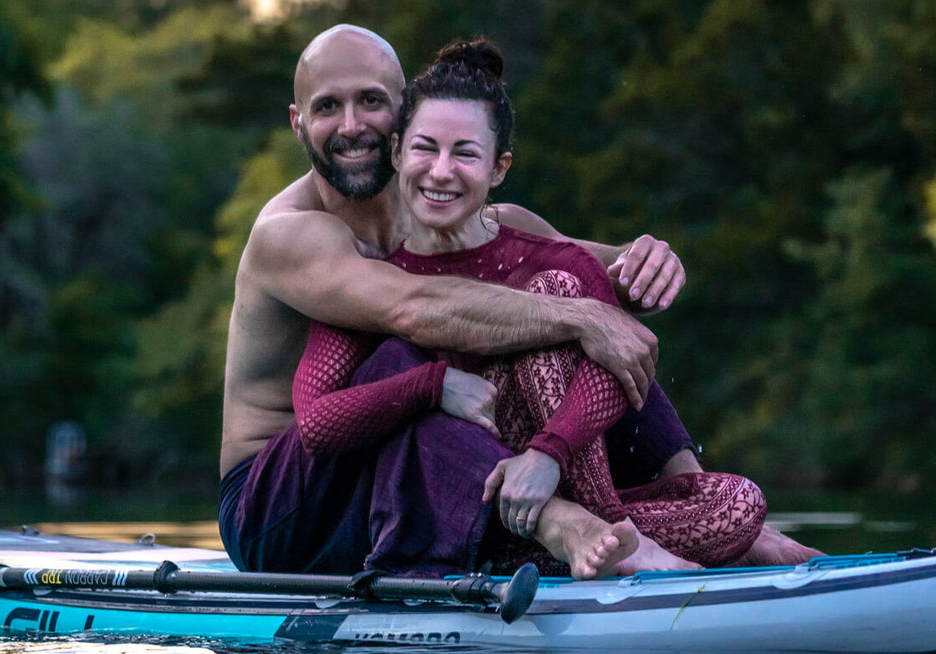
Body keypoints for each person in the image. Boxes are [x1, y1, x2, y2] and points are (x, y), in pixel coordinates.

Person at [287, 38, 822, 579]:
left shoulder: (541, 252)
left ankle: (611, 533)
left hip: (550, 487)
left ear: (499, 168)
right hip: (473, 513)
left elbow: (626, 357)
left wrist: (549, 454)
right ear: (398, 152)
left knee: (738, 503)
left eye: (466, 154)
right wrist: (431, 384)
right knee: (554, 300)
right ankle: (615, 542)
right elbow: (317, 424)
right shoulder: (375, 279)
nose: (441, 172)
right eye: (426, 149)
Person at [218, 25, 704, 578]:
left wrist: (646, 261)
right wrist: (583, 316)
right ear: (298, 122)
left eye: (371, 101)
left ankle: (695, 499)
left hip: (401, 482)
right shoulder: (288, 235)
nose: (351, 126)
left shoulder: (453, 212)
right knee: (405, 362)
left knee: (587, 324)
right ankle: (559, 523)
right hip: (279, 510)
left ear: (403, 112)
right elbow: (414, 308)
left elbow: (600, 275)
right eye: (328, 106)